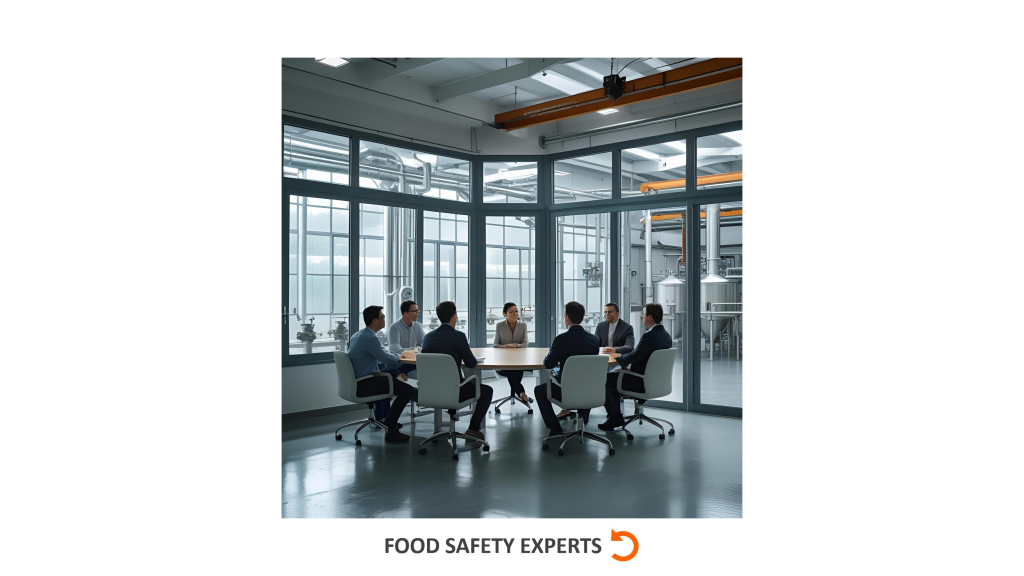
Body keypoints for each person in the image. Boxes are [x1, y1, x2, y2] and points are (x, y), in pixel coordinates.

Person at [419, 300, 494, 444]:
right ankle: (473, 428)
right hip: (455, 391)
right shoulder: (458, 336)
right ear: (454, 317)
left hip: (431, 391)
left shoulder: (427, 337)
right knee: (487, 391)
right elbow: (471, 363)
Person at [347, 305, 417, 442]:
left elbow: (382, 353)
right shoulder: (370, 338)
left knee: (392, 372)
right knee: (407, 390)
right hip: (366, 383)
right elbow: (385, 358)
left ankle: (387, 420)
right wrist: (401, 357)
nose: (384, 319)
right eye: (382, 317)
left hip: (359, 380)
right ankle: (391, 429)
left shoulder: (358, 335)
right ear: (374, 320)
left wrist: (394, 357)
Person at [599, 303, 673, 431]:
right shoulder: (666, 335)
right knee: (613, 377)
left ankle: (615, 416)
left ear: (649, 317)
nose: (642, 317)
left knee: (604, 380)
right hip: (655, 381)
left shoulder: (649, 336)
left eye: (643, 314)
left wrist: (617, 359)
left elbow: (634, 355)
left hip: (639, 381)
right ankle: (614, 416)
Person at [533, 301, 600, 438]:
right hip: (590, 390)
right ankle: (584, 418)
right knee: (581, 379)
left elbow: (548, 364)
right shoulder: (594, 340)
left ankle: (555, 428)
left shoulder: (561, 339)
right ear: (582, 317)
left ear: (567, 317)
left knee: (539, 391)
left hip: (566, 391)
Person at [493, 301, 532, 405]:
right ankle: (521, 392)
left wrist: (517, 346)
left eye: (516, 311)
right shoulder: (500, 326)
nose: (515, 314)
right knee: (512, 372)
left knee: (515, 371)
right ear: (504, 314)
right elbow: (495, 345)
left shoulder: (523, 325)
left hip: (519, 361)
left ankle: (519, 393)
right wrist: (507, 346)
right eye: (511, 312)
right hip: (503, 362)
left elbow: (525, 343)